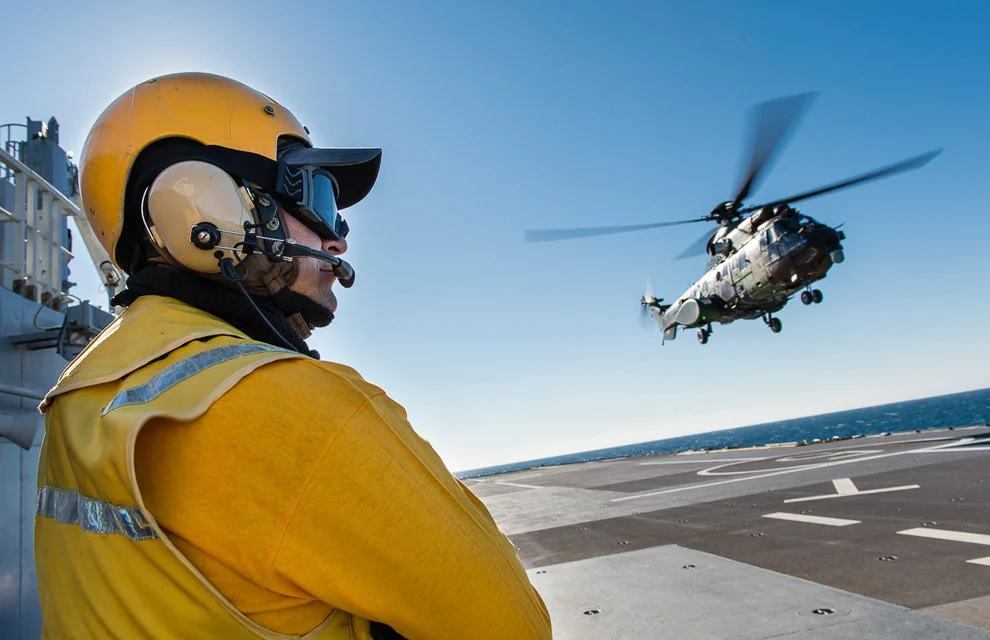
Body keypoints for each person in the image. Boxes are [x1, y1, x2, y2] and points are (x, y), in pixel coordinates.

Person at [34, 72, 552, 640]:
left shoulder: (79, 394)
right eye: (320, 200)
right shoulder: (279, 401)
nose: (338, 240)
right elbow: (515, 627)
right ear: (204, 205)